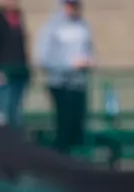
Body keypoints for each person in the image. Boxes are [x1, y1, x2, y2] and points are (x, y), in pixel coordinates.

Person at [36, 0, 93, 152]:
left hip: (79, 84)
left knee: (78, 125)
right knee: (63, 126)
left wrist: (88, 61)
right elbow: (42, 57)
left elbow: (89, 49)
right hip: (60, 84)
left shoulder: (83, 26)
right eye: (69, 5)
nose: (72, 8)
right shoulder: (51, 27)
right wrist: (68, 64)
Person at [0, 0, 29, 127]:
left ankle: (14, 145)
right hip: (1, 75)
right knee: (2, 114)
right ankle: (3, 145)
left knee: (16, 114)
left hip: (18, 74)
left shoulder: (17, 18)